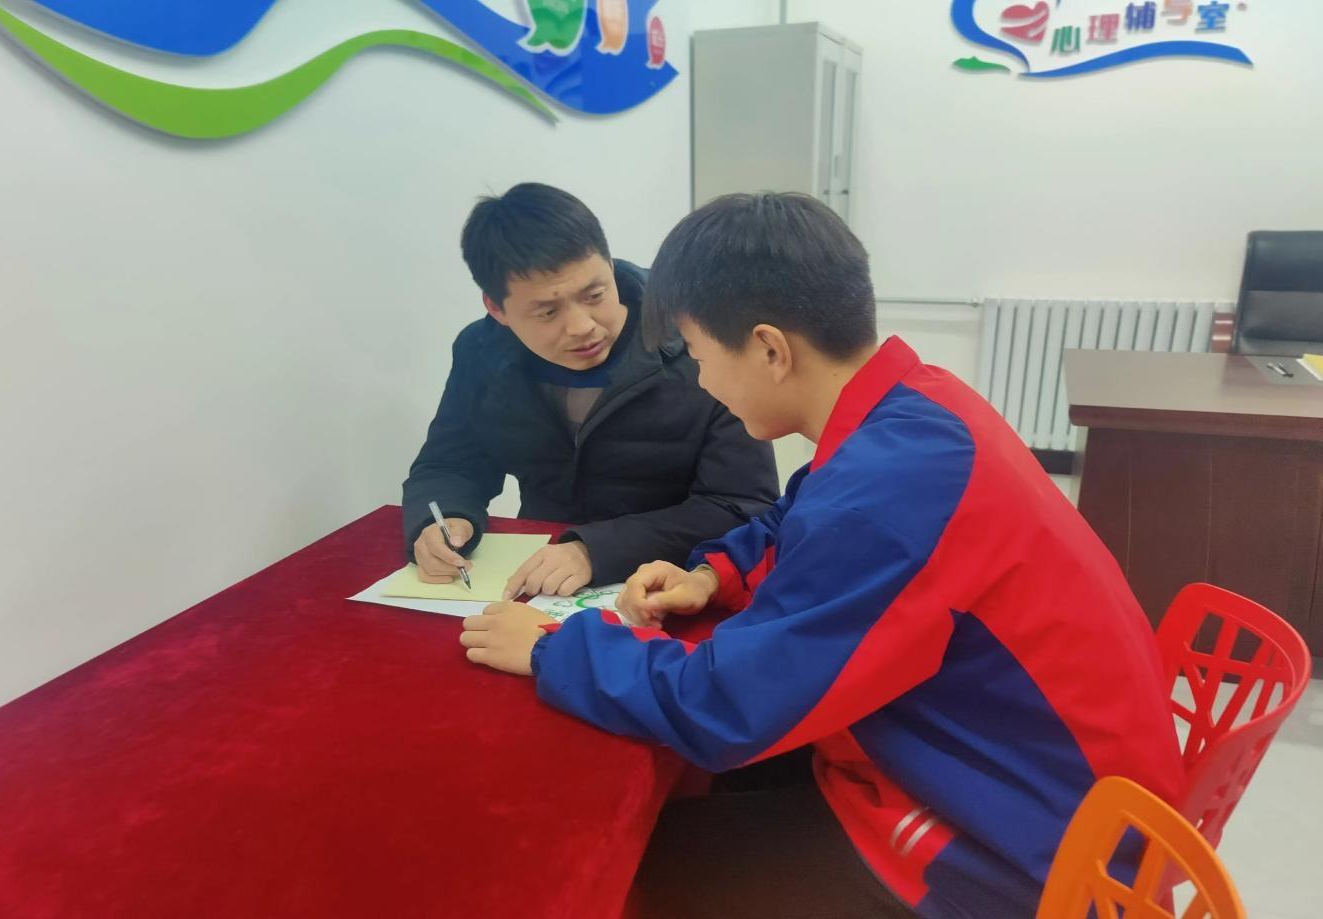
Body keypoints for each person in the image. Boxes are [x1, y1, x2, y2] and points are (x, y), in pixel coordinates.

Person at [458, 192, 1186, 917]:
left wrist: (552, 648)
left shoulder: (882, 498)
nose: (702, 381)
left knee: (632, 868)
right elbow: (798, 512)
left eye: (702, 358)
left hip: (1031, 861)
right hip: (1047, 788)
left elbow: (727, 706)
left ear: (770, 350)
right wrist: (711, 573)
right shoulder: (916, 406)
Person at [402, 183, 778, 599]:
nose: (582, 326)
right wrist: (443, 518)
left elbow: (743, 505)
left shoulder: (699, 341)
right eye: (548, 311)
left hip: (675, 585)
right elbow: (452, 463)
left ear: (609, 267)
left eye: (595, 295)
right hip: (541, 583)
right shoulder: (481, 352)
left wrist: (593, 550)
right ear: (496, 308)